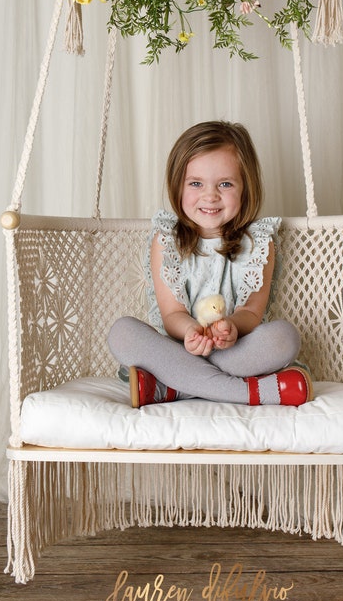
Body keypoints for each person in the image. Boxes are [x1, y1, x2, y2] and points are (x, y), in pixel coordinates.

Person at [108, 120, 312, 408]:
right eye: (196, 183)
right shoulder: (166, 240)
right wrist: (191, 332)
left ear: (245, 188)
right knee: (123, 333)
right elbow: (172, 313)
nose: (210, 195)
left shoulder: (258, 242)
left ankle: (173, 387)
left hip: (233, 351)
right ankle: (249, 392)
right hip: (178, 349)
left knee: (284, 338)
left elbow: (252, 311)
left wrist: (231, 327)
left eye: (225, 184)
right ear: (178, 186)